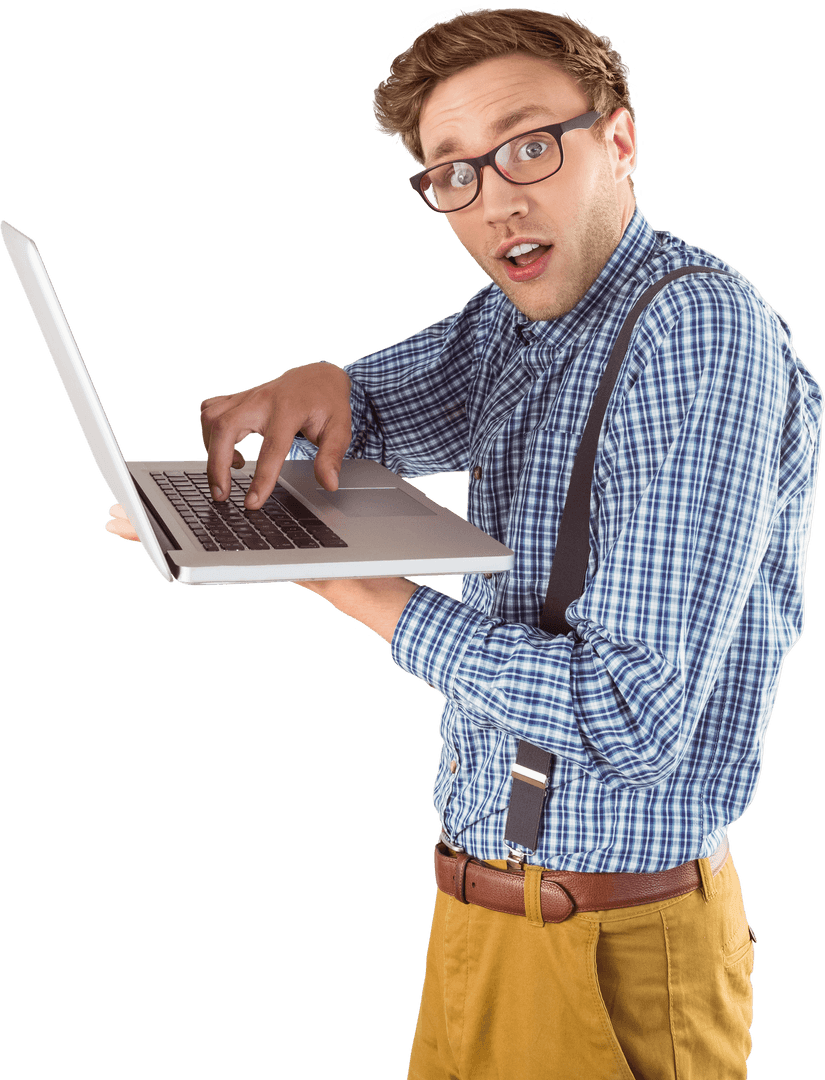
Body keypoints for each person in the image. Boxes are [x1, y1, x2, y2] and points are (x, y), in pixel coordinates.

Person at [106, 8, 823, 1078]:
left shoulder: (696, 335)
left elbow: (635, 715)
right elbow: (377, 420)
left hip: (601, 944)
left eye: (530, 146)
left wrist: (371, 598)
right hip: (483, 917)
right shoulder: (521, 323)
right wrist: (326, 383)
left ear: (619, 141)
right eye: (455, 175)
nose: (497, 200)